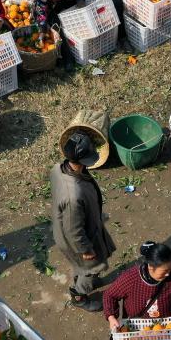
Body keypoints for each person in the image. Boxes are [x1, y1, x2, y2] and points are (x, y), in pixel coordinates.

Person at [51, 131, 116, 312]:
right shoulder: (73, 195)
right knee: (91, 266)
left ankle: (85, 277)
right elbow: (74, 231)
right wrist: (85, 250)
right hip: (78, 238)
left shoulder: (59, 168)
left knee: (84, 264)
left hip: (76, 227)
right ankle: (79, 295)